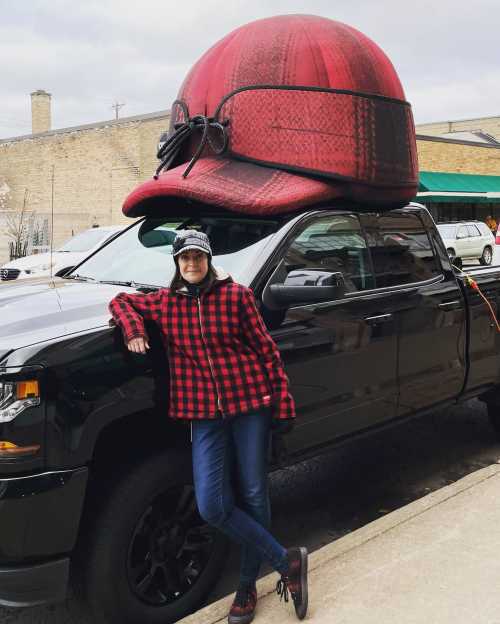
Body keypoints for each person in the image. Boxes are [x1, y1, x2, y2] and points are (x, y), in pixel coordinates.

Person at [108, 230, 308, 624]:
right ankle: (286, 561)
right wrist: (133, 330)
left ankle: (247, 587)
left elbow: (267, 352)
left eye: (198, 257)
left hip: (250, 404)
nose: (192, 264)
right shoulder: (166, 304)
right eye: (185, 258)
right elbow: (121, 301)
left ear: (208, 260)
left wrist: (282, 405)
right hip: (204, 413)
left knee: (253, 493)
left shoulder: (236, 297)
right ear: (177, 264)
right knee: (212, 505)